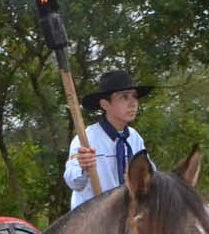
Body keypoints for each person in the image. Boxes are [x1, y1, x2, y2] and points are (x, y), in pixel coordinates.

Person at [64, 68, 154, 209]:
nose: (133, 103)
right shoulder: (86, 140)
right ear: (105, 104)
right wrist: (83, 167)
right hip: (92, 220)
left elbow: (151, 178)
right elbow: (73, 182)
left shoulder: (135, 138)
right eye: (124, 97)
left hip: (126, 220)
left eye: (134, 97)